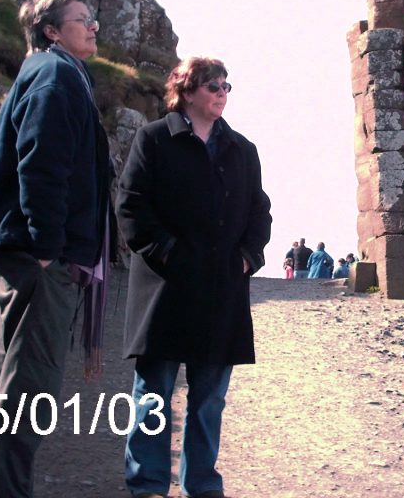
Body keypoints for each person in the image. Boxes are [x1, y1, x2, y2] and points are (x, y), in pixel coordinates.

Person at [0, 0, 110, 498]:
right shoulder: (55, 76)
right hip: (36, 261)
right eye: (81, 19)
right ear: (52, 30)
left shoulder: (54, 72)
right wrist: (48, 247)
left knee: (7, 393)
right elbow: (42, 165)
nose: (94, 25)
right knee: (28, 397)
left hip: (23, 256)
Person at [117, 56, 272, 498]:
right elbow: (131, 206)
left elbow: (259, 212)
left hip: (222, 290)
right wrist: (167, 252)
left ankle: (201, 485)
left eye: (226, 85)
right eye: (212, 86)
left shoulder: (243, 150)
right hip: (165, 290)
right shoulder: (154, 140)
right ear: (186, 92)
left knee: (209, 400)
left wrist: (247, 257)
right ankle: (147, 484)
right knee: (153, 394)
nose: (221, 93)